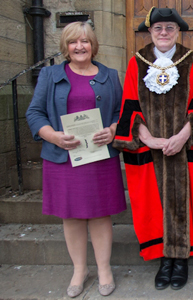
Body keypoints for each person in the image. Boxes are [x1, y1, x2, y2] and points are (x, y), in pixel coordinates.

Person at [112, 7, 193, 290]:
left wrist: (183, 136)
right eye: (158, 29)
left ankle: (180, 258)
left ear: (178, 31)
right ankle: (163, 258)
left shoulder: (192, 61)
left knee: (183, 200)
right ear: (150, 32)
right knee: (153, 202)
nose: (164, 33)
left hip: (184, 146)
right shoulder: (137, 62)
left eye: (170, 28)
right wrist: (146, 138)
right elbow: (130, 103)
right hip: (150, 148)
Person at [25, 21, 126, 297]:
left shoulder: (109, 75)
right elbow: (34, 113)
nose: (79, 47)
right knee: (70, 216)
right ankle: (79, 270)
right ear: (65, 46)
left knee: (100, 214)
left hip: (99, 156)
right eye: (73, 42)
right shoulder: (50, 75)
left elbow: (121, 112)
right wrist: (53, 136)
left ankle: (104, 269)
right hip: (64, 157)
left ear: (93, 45)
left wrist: (112, 130)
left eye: (85, 41)